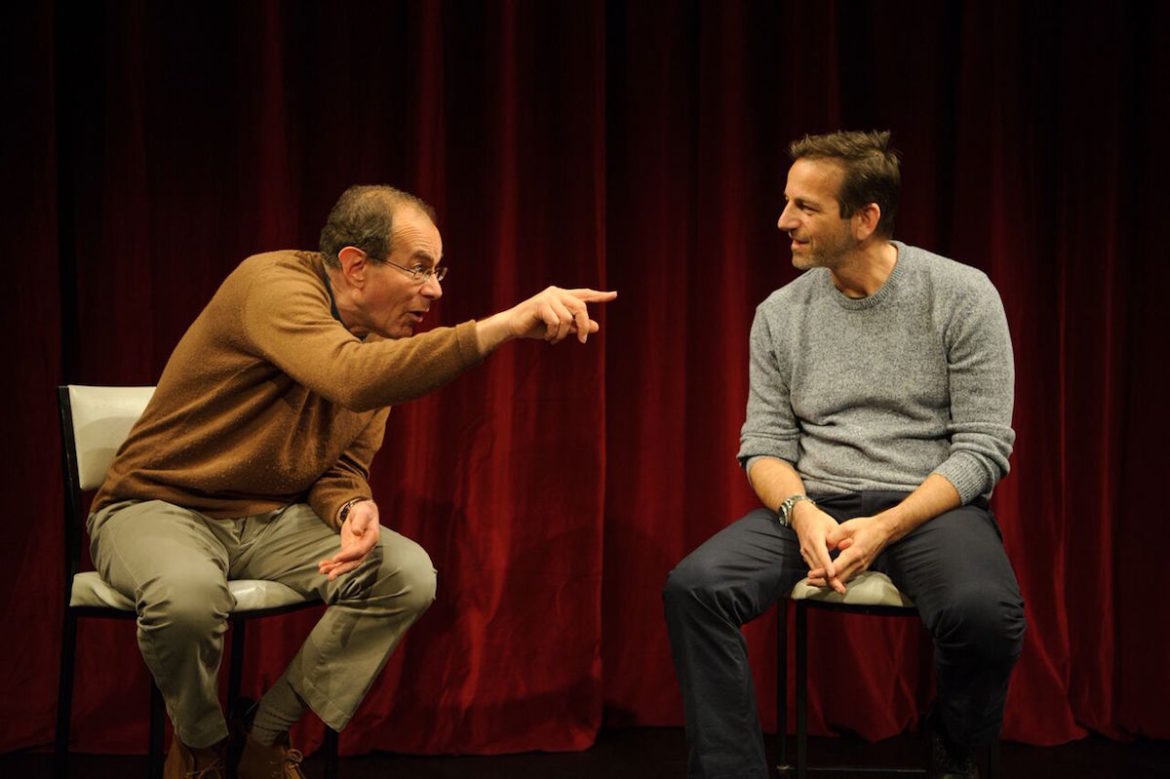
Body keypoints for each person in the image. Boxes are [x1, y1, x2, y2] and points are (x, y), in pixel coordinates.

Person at [88, 185, 616, 779]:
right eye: (420, 268)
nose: (436, 289)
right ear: (355, 265)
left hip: (267, 518)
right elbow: (350, 377)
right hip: (158, 506)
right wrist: (501, 326)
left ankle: (264, 735)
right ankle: (204, 746)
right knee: (184, 599)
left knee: (404, 575)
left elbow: (339, 462)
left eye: (438, 270)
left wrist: (349, 506)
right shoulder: (272, 285)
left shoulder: (383, 341)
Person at [663, 130, 1025, 779]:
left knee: (983, 615)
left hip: (931, 507)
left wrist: (888, 524)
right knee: (696, 587)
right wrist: (802, 513)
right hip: (819, 504)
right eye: (786, 202)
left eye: (805, 207)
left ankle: (956, 736)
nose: (783, 221)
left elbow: (983, 447)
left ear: (865, 219)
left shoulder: (962, 295)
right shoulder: (780, 314)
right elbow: (765, 447)